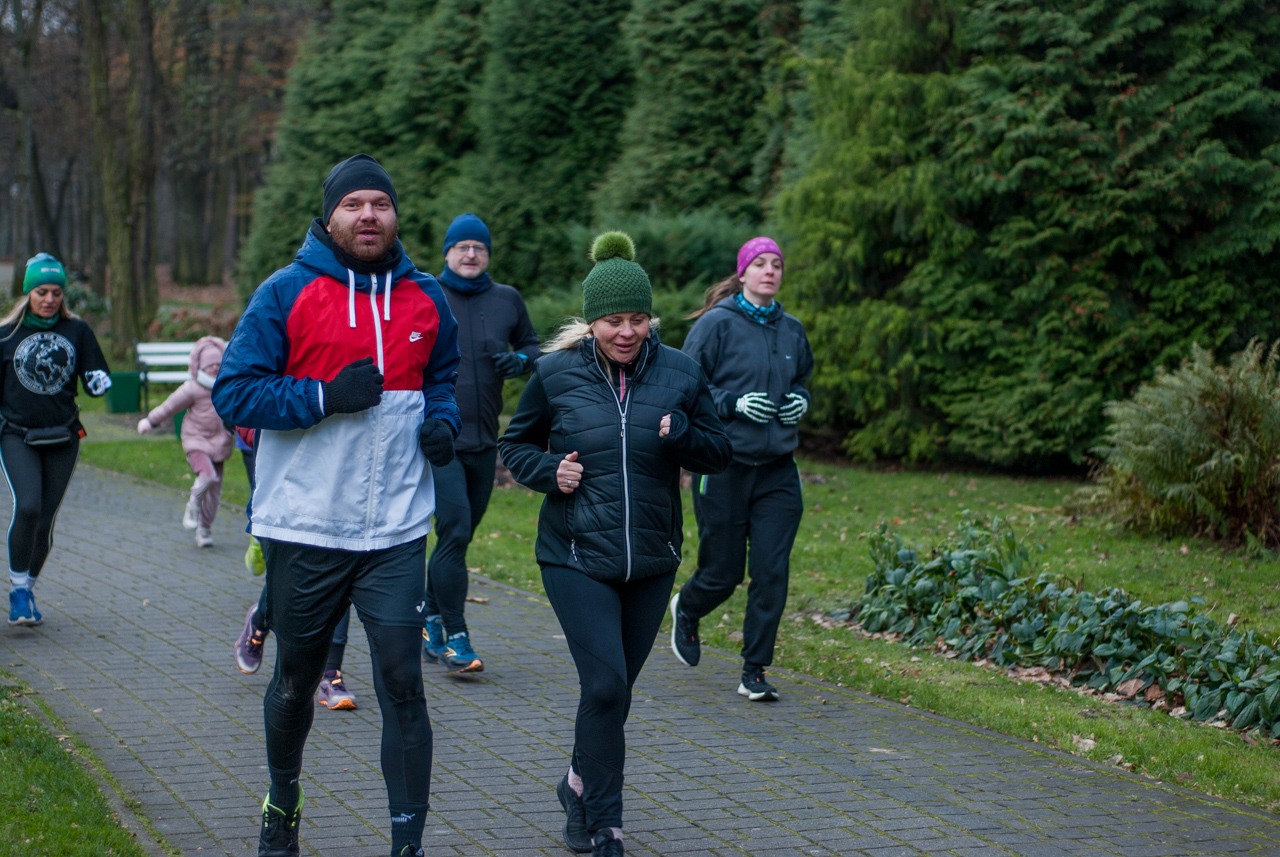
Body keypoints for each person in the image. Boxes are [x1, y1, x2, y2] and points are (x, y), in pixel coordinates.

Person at [212, 153, 460, 857]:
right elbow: (234, 392)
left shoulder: (426, 297)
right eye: (353, 205)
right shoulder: (285, 292)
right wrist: (324, 396)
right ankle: (282, 800)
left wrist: (442, 420)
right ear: (330, 217)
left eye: (380, 203)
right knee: (295, 681)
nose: (368, 215)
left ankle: (408, 842)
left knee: (404, 681)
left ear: (396, 215)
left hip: (395, 530)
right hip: (306, 525)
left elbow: (442, 377)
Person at [498, 232, 730, 857]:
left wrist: (683, 435)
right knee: (604, 688)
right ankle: (607, 825)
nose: (626, 332)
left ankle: (577, 784)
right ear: (591, 320)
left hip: (651, 558)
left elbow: (719, 452)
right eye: (612, 321)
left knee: (614, 692)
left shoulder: (681, 372)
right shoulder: (555, 374)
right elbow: (515, 444)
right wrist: (549, 471)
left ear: (650, 318)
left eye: (637, 319)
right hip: (574, 554)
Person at [669, 236, 813, 702]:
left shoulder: (792, 329)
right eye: (761, 264)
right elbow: (686, 384)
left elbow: (803, 378)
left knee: (771, 571)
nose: (770, 271)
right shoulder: (716, 324)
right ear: (744, 272)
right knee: (723, 573)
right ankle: (688, 608)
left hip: (777, 470)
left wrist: (801, 400)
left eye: (777, 264)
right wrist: (733, 403)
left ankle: (754, 670)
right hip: (723, 465)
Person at [422, 213, 540, 674]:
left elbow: (535, 346)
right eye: (463, 247)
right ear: (448, 252)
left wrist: (520, 360)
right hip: (441, 439)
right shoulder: (427, 293)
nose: (471, 254)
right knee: (453, 532)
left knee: (460, 537)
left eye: (480, 248)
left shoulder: (507, 299)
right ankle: (456, 637)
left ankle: (429, 617)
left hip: (486, 440)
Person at [0, 253, 111, 627]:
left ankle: (27, 589)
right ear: (28, 292)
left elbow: (94, 376)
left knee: (45, 519)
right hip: (16, 434)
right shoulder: (6, 335)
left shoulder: (77, 331)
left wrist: (99, 382)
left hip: (63, 436)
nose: (49, 299)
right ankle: (17, 591)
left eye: (57, 293)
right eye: (42, 292)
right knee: (28, 506)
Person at [233, 424, 361, 712]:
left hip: (338, 471)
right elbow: (238, 403)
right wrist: (264, 432)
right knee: (288, 578)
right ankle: (260, 620)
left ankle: (331, 675)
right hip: (282, 470)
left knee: (338, 568)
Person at [137, 336, 234, 547]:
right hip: (196, 441)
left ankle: (204, 529)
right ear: (200, 366)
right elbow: (169, 406)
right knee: (208, 475)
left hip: (220, 444)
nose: (215, 368)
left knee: (214, 494)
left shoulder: (227, 387)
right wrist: (151, 421)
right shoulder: (192, 388)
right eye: (210, 365)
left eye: (218, 364)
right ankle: (193, 503)